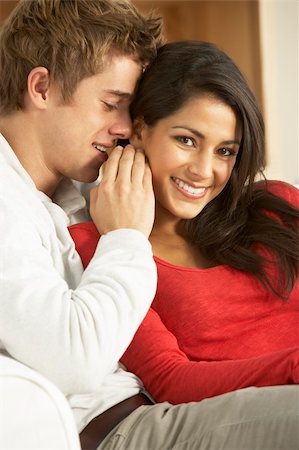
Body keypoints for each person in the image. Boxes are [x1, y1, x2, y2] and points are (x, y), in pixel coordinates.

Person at [1, 0, 299, 446]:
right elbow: (77, 360)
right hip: (121, 426)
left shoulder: (77, 194)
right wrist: (124, 236)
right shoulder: (33, 209)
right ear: (41, 87)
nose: (123, 128)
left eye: (225, 150)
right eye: (111, 105)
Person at [69, 40, 299, 448]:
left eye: (225, 151)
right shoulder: (103, 246)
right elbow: (172, 380)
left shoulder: (277, 205)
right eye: (187, 140)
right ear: (139, 130)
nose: (204, 171)